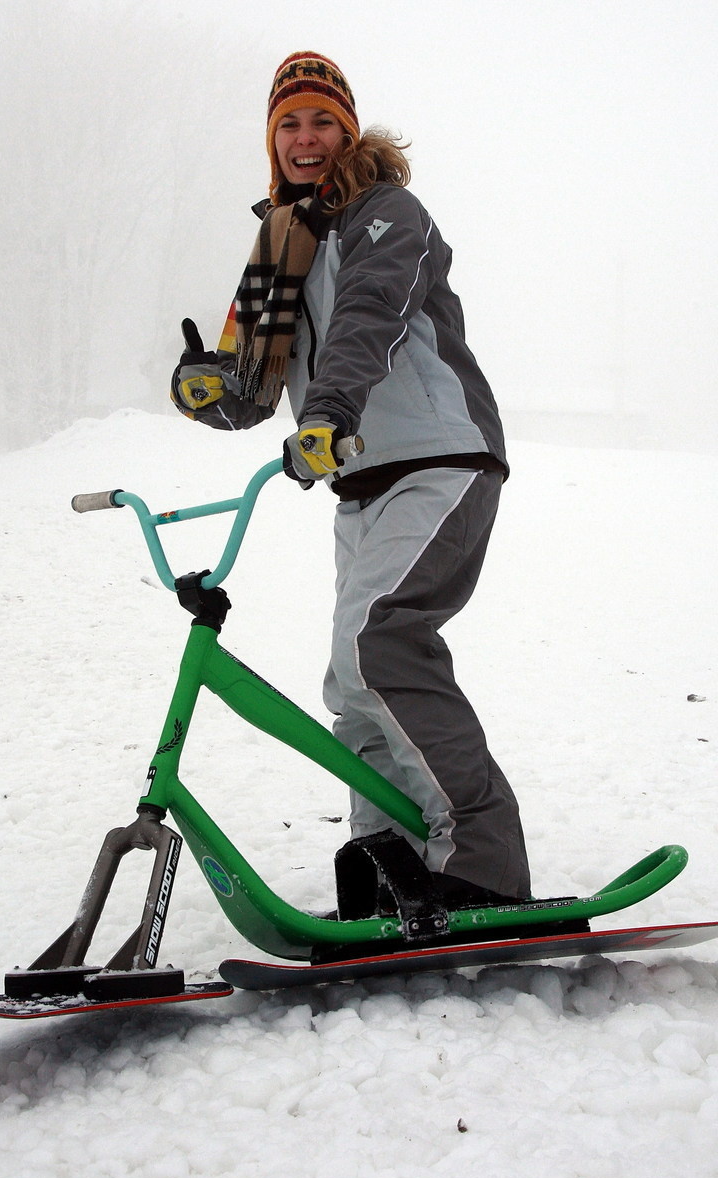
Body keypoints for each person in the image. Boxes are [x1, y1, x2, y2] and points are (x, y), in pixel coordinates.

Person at [171, 50, 531, 909]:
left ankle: (482, 858)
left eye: (322, 122)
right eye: (289, 125)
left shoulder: (386, 214)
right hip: (357, 479)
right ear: (273, 141)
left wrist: (328, 412)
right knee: (351, 676)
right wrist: (206, 392)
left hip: (441, 460)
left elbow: (370, 314)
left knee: (380, 645)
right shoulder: (281, 247)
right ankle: (385, 858)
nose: (306, 139)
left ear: (349, 129)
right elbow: (252, 389)